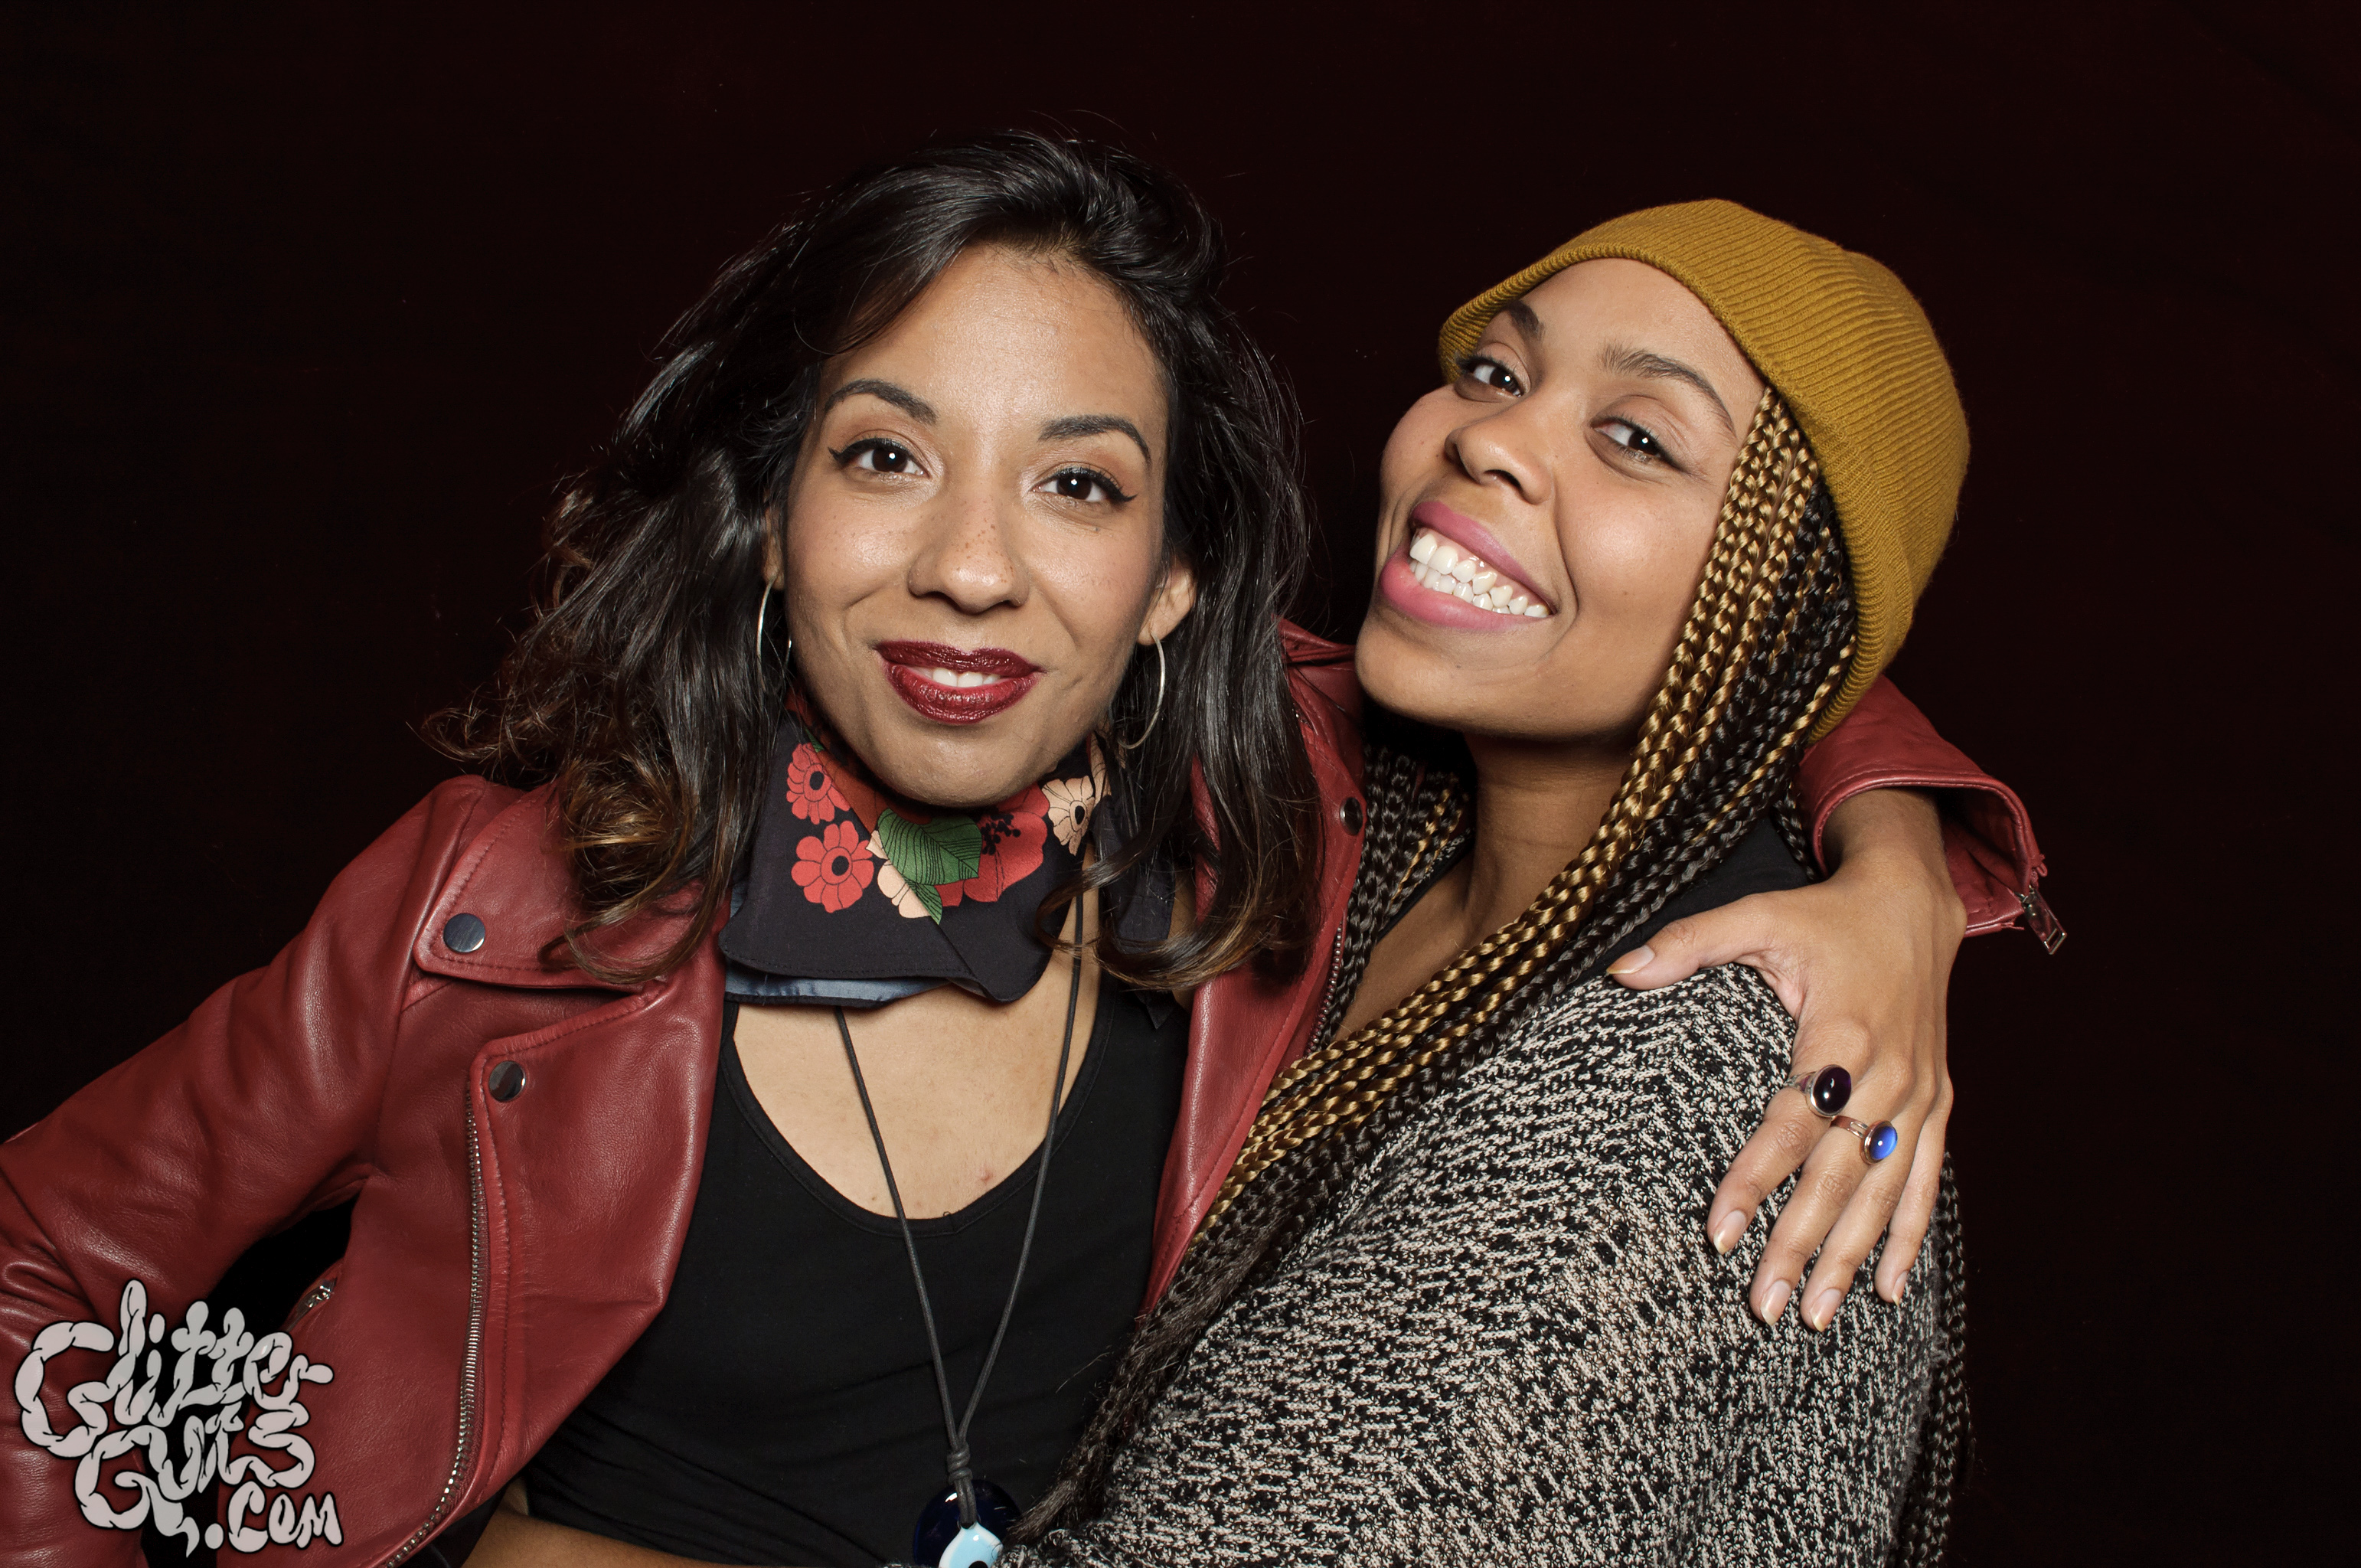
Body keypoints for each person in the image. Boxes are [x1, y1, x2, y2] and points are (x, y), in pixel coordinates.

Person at [0, 141, 2038, 1568]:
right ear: (773, 513)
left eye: (1077, 485)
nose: (971, 565)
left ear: (1177, 577)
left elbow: (1752, 650)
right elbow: (45, 1259)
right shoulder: (500, 901)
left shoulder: (1280, 817)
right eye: (884, 456)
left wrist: (1899, 865)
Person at [1007, 201, 2000, 1566]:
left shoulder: (1671, 1112)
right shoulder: (1371, 826)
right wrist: (1899, 849)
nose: (1490, 437)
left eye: (1638, 437)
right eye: (1496, 371)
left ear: (1781, 602)